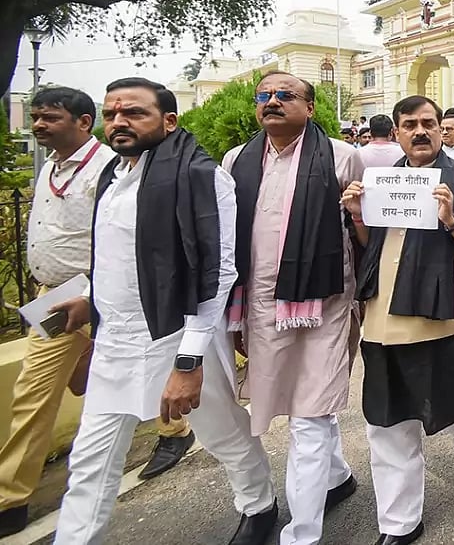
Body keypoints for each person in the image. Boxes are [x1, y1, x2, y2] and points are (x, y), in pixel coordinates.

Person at [53, 77, 277, 545]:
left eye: (134, 113)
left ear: (169, 121)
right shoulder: (113, 178)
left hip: (178, 334)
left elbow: (216, 270)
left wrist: (189, 361)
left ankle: (259, 504)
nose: (119, 122)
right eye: (112, 113)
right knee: (91, 461)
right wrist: (88, 298)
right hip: (116, 340)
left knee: (221, 433)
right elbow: (116, 253)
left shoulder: (201, 177)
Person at [0, 88, 190, 537]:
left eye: (49, 117)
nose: (39, 125)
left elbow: (132, 241)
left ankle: (10, 496)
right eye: (36, 118)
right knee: (66, 389)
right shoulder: (50, 167)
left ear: (82, 123)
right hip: (54, 298)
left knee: (39, 390)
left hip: (104, 294)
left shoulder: (112, 167)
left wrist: (93, 293)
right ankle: (175, 430)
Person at [341, 96, 454, 545]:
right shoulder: (380, 183)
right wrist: (357, 215)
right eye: (409, 124)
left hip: (448, 317)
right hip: (383, 319)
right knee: (388, 420)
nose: (420, 131)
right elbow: (369, 242)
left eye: (428, 123)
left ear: (442, 129)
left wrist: (452, 219)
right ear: (396, 132)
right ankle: (399, 524)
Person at [222, 71, 362, 545]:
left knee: (310, 415)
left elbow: (367, 239)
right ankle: (339, 476)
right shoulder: (235, 160)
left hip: (325, 303)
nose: (273, 101)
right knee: (290, 404)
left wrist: (359, 214)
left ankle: (301, 535)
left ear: (311, 107)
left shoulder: (344, 158)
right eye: (264, 95)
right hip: (261, 309)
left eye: (285, 95)